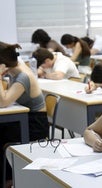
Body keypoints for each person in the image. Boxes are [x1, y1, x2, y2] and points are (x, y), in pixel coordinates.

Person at [0, 41, 49, 188]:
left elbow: (4, 101)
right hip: (25, 119)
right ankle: (7, 178)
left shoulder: (23, 76)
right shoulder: (15, 72)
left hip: (35, 125)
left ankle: (8, 179)